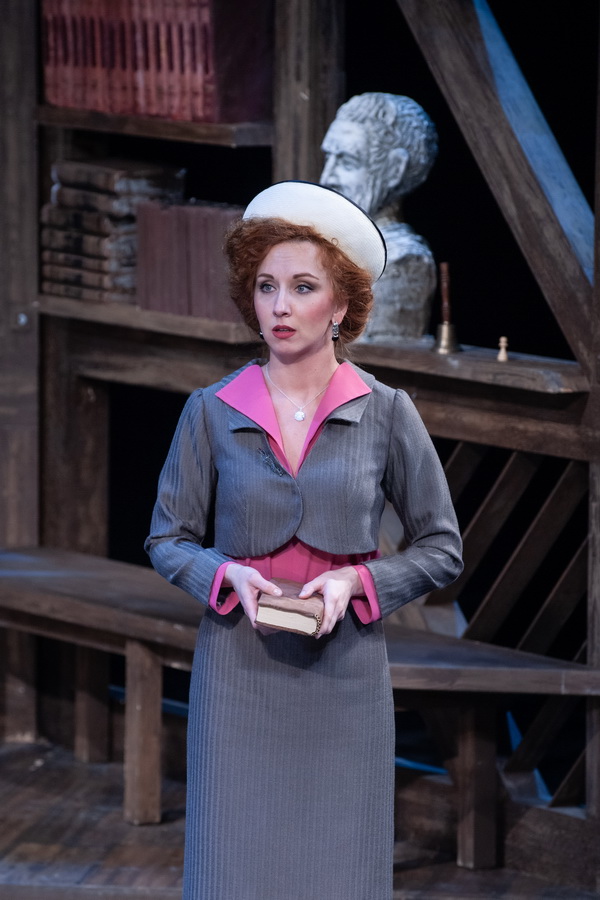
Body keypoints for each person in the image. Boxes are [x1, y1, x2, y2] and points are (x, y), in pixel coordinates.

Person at [145, 180, 463, 900]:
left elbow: (442, 547)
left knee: (337, 867)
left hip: (343, 671)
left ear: (341, 305)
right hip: (238, 667)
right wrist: (225, 576)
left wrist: (358, 581)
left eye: (302, 287)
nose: (280, 306)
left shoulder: (385, 413)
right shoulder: (212, 410)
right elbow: (168, 538)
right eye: (266, 287)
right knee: (233, 864)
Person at [320, 92, 438, 342]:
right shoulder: (329, 243)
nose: (326, 178)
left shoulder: (401, 261)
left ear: (394, 170)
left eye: (347, 162)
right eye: (328, 158)